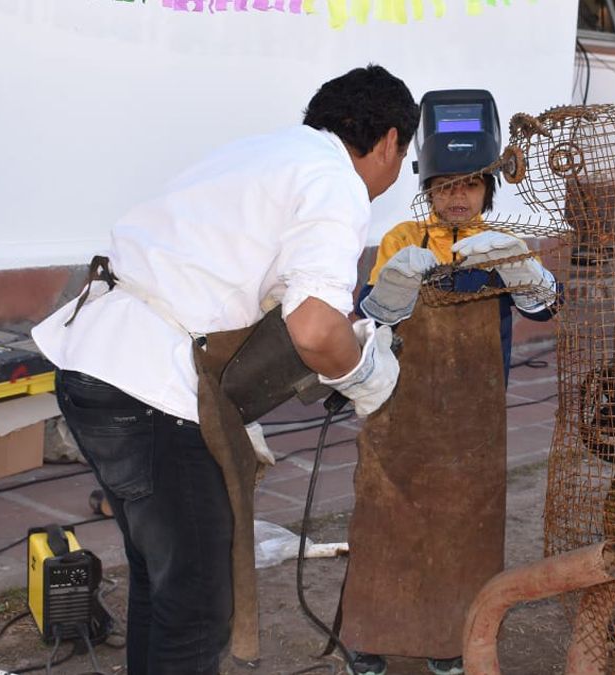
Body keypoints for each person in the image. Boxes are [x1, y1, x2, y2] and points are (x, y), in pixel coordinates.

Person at [30, 65, 418, 674]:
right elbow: (315, 327)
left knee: (163, 580)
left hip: (93, 366)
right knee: (197, 605)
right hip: (148, 391)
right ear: (391, 141)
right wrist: (367, 378)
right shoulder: (334, 180)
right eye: (403, 158)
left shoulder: (265, 152)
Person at [341, 89, 560, 675]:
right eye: (444, 186)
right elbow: (370, 322)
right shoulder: (402, 243)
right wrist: (385, 294)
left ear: (489, 188)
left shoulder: (505, 247)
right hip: (399, 413)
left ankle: (449, 637)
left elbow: (544, 311)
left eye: (470, 184)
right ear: (427, 188)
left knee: (465, 529)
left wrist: (523, 270)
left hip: (474, 418)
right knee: (387, 518)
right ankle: (368, 631)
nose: (457, 197)